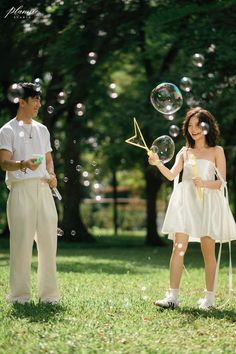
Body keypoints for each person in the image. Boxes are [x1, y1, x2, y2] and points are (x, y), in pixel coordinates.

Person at [148, 107, 236, 310]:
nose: (193, 129)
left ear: (207, 127)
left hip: (207, 204)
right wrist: (157, 163)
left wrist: (204, 183)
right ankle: (172, 297)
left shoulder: (217, 151)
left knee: (208, 252)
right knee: (178, 249)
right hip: (185, 203)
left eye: (198, 125)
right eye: (190, 125)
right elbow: (171, 176)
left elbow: (221, 183)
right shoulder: (184, 152)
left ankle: (209, 299)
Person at [0, 82, 59, 304]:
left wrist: (52, 175)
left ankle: (49, 296)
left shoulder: (42, 129)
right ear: (21, 102)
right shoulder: (7, 130)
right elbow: (4, 163)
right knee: (21, 245)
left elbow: (49, 161)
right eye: (34, 99)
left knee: (48, 244)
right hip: (21, 190)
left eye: (39, 99)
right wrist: (23, 164)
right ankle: (19, 297)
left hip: (44, 190)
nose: (38, 104)